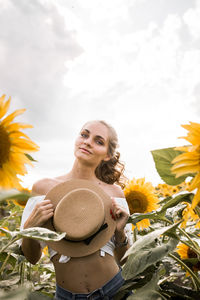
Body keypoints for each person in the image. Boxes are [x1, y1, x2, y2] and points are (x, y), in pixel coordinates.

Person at [20, 120, 133, 299]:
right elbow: (31, 257)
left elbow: (125, 260)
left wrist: (120, 233)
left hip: (116, 291)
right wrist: (29, 229)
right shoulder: (44, 188)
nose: (87, 142)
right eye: (84, 134)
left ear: (107, 155)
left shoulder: (114, 193)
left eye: (99, 141)